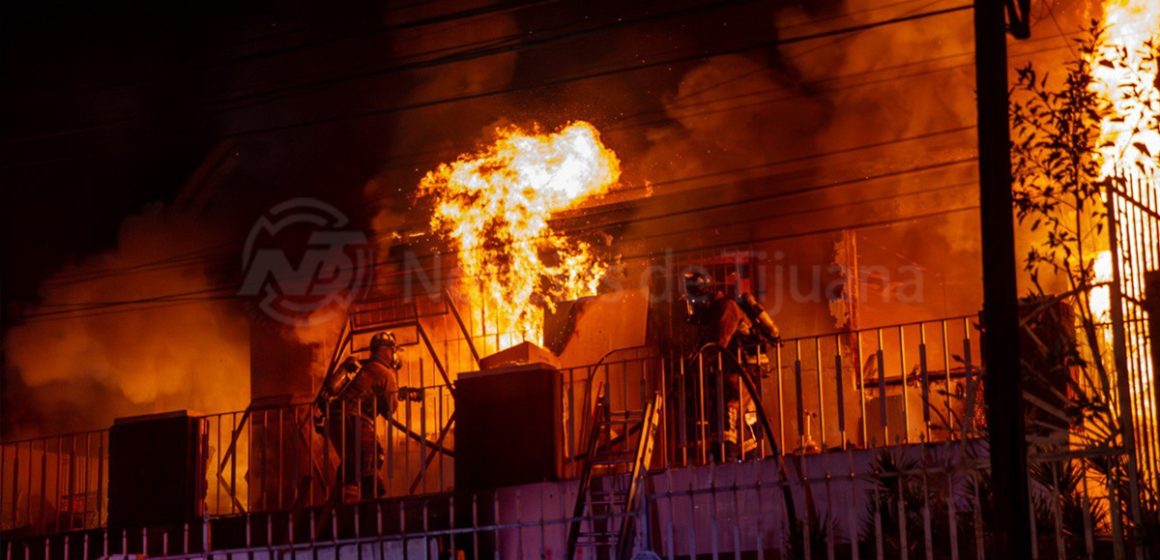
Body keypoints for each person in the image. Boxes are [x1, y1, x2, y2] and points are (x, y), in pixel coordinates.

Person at [682, 272, 781, 461]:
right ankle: (745, 458)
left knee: (728, 409)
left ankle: (726, 459)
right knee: (736, 418)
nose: (693, 305)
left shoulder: (727, 308)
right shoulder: (718, 311)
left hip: (740, 370)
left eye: (694, 299)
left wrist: (697, 361)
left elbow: (719, 342)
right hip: (736, 370)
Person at [313, 331, 402, 501]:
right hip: (355, 419)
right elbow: (391, 409)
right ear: (386, 350)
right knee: (372, 458)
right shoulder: (386, 373)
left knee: (351, 463)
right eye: (393, 350)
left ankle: (339, 504)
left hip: (335, 421)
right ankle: (370, 507)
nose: (394, 355)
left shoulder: (363, 368)